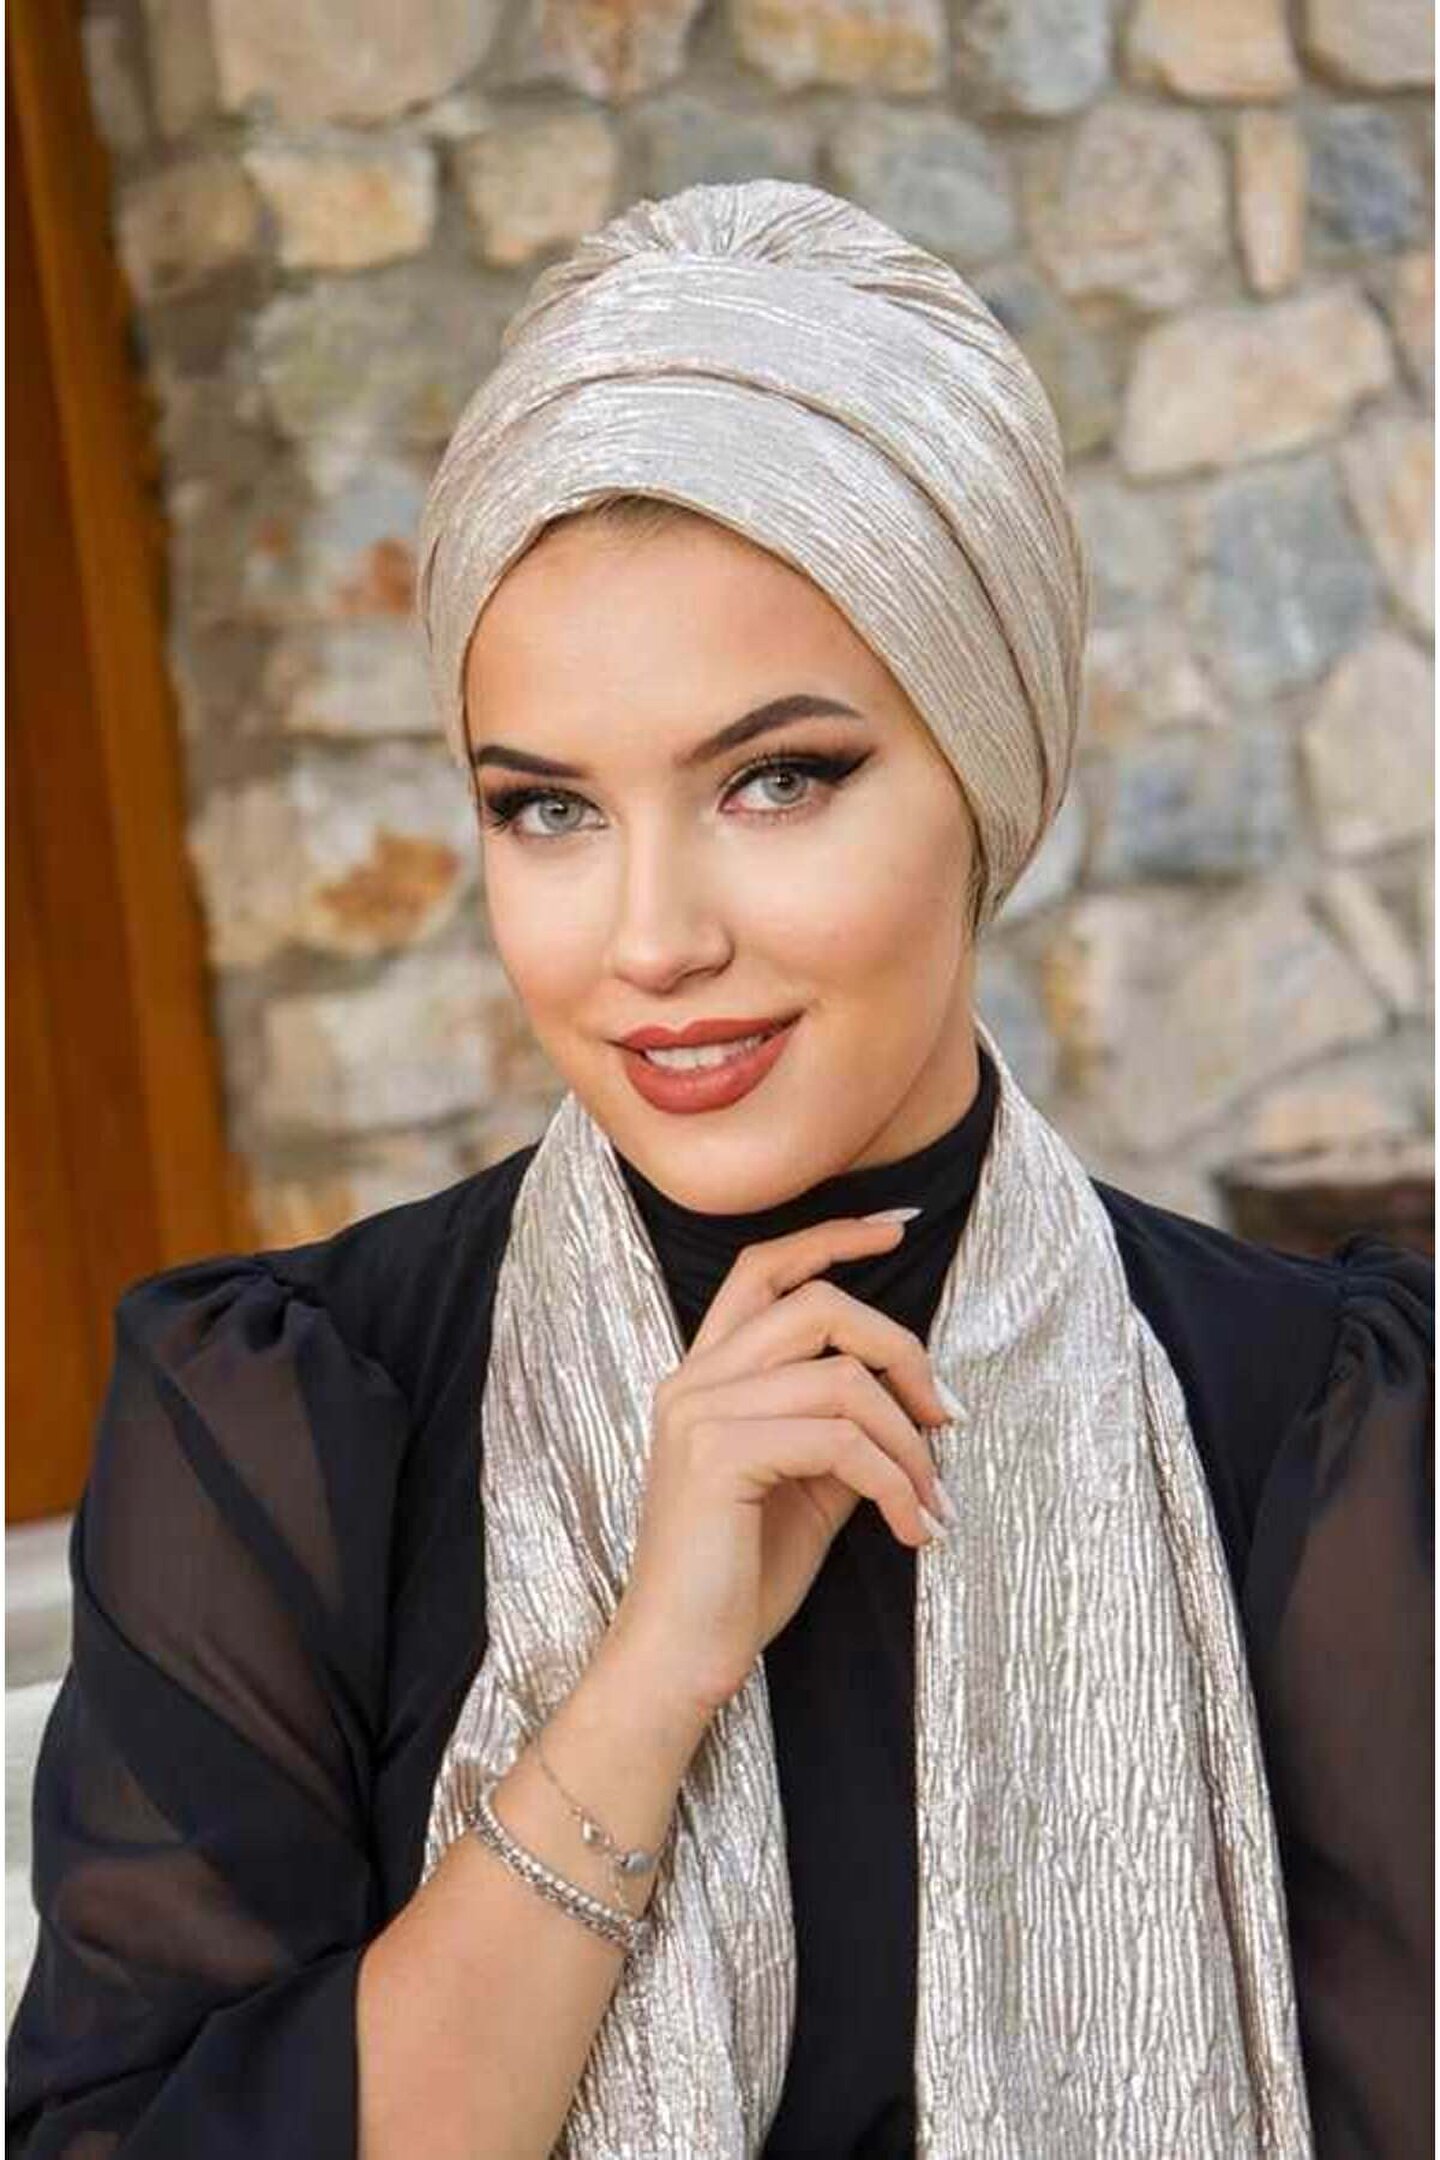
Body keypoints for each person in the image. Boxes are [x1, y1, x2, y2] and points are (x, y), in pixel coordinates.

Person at [6, 180, 1431, 2160]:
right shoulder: (293, 1424)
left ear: (990, 774)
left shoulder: (1313, 1424)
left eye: (778, 778)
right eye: (549, 809)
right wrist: (650, 1679)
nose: (652, 938)